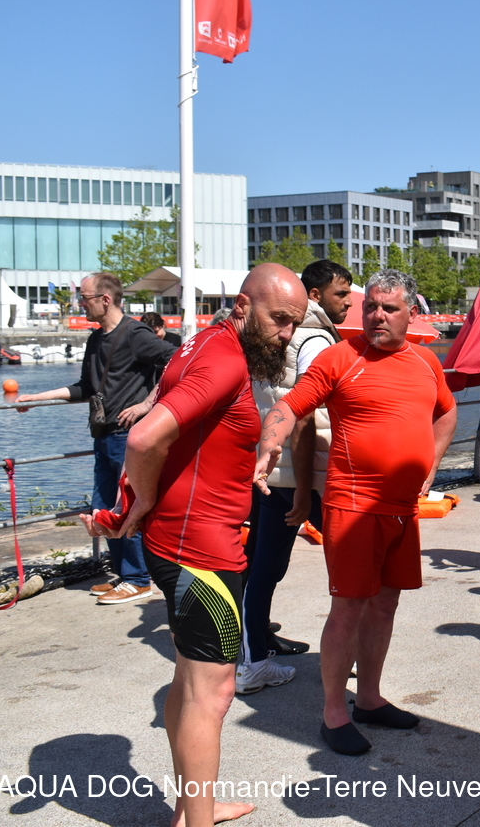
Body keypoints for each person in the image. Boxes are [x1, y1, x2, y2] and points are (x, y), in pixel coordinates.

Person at [82, 262, 307, 827]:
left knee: (188, 681)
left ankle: (193, 808)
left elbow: (183, 434)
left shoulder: (201, 344)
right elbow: (144, 437)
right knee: (213, 692)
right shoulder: (227, 360)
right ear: (242, 306)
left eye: (294, 324)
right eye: (279, 319)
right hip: (201, 552)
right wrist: (140, 501)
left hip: (180, 541)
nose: (286, 335)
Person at [255, 269, 457, 756]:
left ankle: (368, 698)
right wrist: (269, 443)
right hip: (353, 505)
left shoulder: (426, 362)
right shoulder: (340, 358)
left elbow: (447, 411)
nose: (377, 316)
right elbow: (290, 407)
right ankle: (334, 713)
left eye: (389, 308)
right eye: (371, 307)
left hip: (402, 508)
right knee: (349, 608)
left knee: (385, 605)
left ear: (411, 312)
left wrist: (431, 462)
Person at [15, 273, 177, 604]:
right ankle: (125, 575)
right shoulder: (95, 339)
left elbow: (177, 359)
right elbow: (86, 388)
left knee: (125, 506)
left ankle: (138, 579)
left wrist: (148, 404)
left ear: (105, 299)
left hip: (128, 437)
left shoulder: (135, 334)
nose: (80, 304)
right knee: (102, 507)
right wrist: (37, 398)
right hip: (104, 436)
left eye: (85, 298)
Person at [237, 260, 353, 695]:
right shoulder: (314, 338)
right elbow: (305, 415)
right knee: (351, 569)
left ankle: (254, 651)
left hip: (274, 470)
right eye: (342, 293)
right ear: (316, 295)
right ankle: (349, 653)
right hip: (311, 475)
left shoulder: (272, 334)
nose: (349, 302)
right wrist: (305, 489)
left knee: (264, 566)